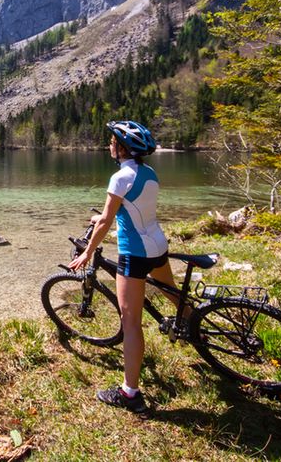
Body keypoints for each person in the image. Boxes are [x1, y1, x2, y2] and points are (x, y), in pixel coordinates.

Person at [67, 120, 180, 414]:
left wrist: (88, 253)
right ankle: (195, 328)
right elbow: (131, 209)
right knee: (171, 292)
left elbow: (106, 219)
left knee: (130, 323)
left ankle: (130, 394)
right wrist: (102, 219)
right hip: (157, 244)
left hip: (135, 253)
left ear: (121, 148)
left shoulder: (119, 177)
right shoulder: (149, 173)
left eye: (112, 142)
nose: (109, 145)